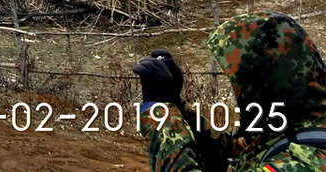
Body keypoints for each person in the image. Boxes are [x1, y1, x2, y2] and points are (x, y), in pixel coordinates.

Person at [133, 12, 326, 171]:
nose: (238, 97)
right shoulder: (295, 123)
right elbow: (235, 153)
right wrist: (177, 105)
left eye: (240, 87)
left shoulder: (305, 163)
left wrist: (160, 115)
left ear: (264, 86)